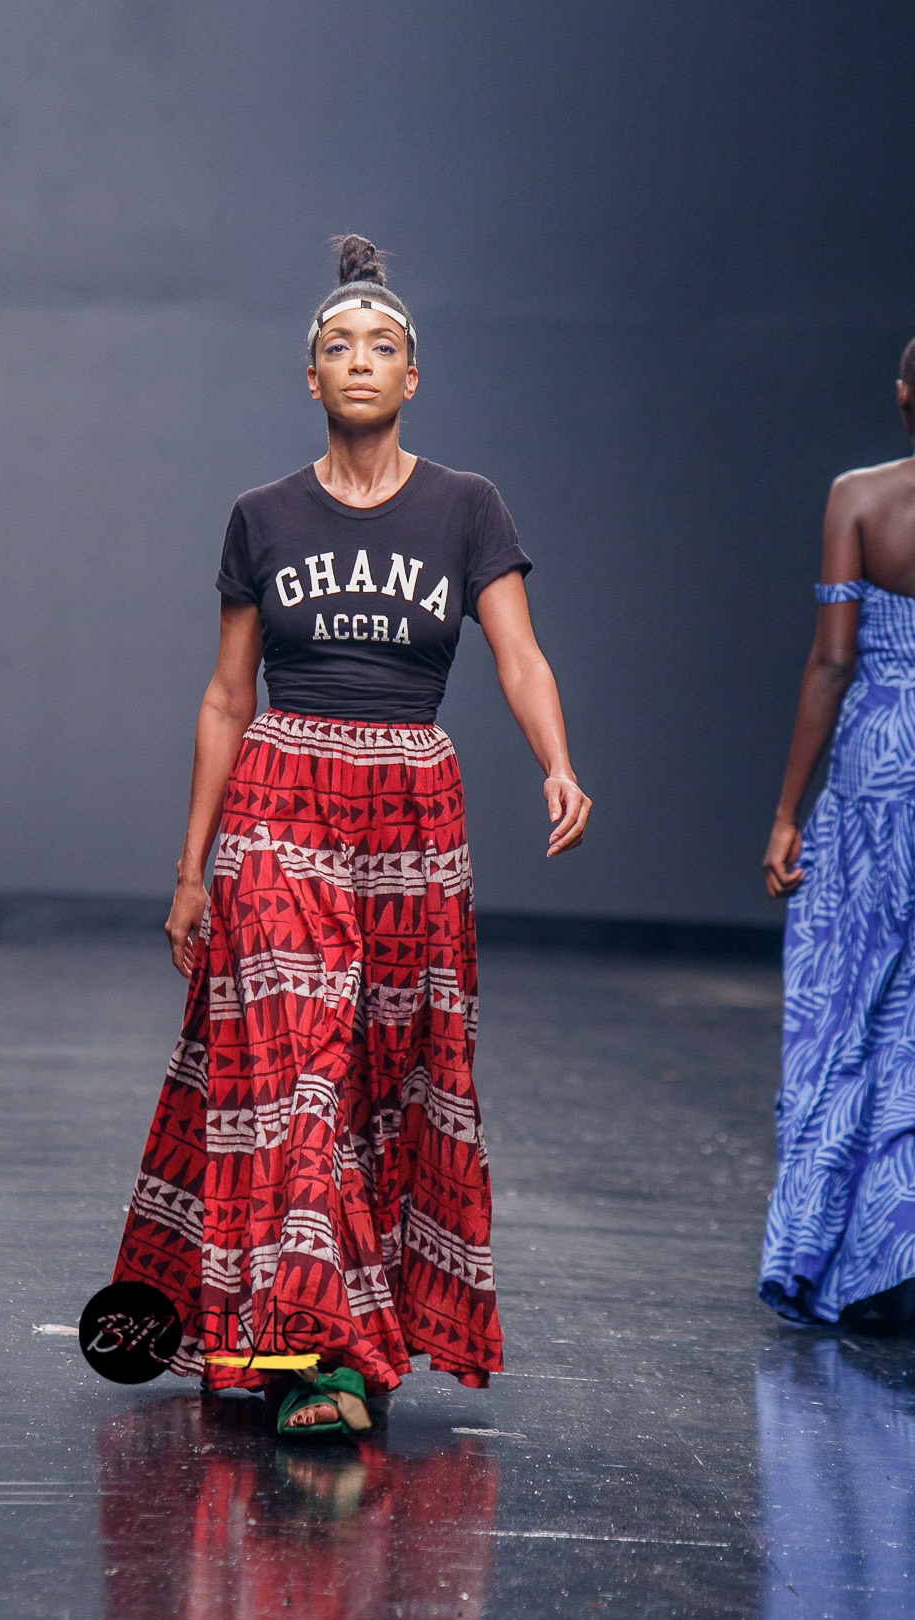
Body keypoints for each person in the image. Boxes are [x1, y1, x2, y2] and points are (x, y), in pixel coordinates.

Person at [113, 235, 591, 1433]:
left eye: (382, 346)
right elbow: (226, 697)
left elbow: (518, 653)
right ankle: (315, 1362)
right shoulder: (261, 516)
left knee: (380, 1074)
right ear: (312, 377)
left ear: (412, 377)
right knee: (299, 1063)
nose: (361, 361)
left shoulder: (467, 506)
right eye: (340, 346)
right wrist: (190, 869)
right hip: (280, 794)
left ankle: (303, 1334)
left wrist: (557, 762)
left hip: (411, 813)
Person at [761, 338, 915, 1326]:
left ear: (903, 398)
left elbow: (832, 662)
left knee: (852, 1000)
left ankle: (829, 1250)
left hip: (876, 769)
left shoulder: (858, 498)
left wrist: (787, 812)